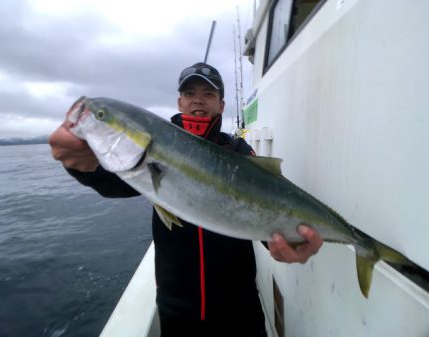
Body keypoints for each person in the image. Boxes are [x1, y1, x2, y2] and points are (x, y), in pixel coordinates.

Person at [49, 62, 323, 337]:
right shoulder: (152, 148)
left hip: (239, 310)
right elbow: (113, 183)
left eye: (208, 94)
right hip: (178, 312)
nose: (198, 101)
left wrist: (287, 240)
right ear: (180, 102)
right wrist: (81, 165)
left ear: (222, 104)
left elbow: (261, 207)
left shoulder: (238, 151)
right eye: (190, 93)